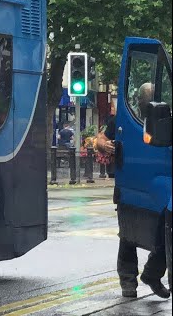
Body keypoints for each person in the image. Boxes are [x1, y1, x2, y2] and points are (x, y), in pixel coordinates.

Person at [94, 82, 169, 299]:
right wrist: (104, 145)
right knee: (128, 234)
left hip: (157, 184)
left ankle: (151, 274)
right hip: (130, 181)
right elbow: (100, 138)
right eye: (145, 99)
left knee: (163, 232)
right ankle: (128, 280)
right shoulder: (125, 119)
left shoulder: (164, 120)